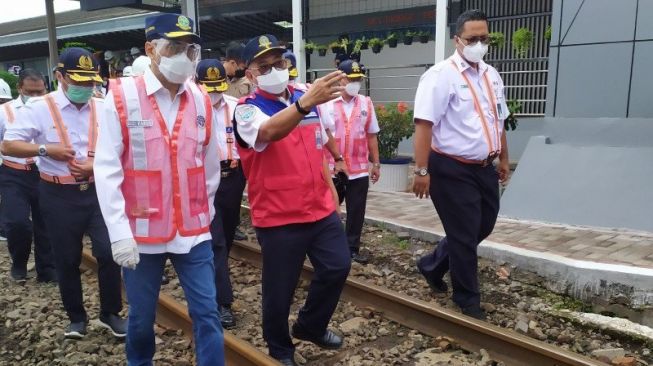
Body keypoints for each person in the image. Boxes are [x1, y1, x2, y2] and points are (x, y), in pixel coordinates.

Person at [94, 13, 224, 365]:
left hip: (193, 232)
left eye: (191, 49)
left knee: (208, 313)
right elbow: (106, 168)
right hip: (142, 233)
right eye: (175, 47)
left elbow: (210, 165)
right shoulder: (122, 98)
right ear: (151, 49)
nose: (185, 56)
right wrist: (119, 232)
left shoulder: (200, 100)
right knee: (140, 318)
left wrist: (204, 210)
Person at [234, 34, 350, 366]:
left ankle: (310, 326)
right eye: (264, 66)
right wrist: (304, 104)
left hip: (319, 209)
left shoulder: (304, 97)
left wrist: (330, 193)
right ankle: (280, 349)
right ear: (251, 74)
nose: (275, 70)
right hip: (279, 217)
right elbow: (268, 133)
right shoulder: (247, 110)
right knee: (279, 290)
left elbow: (318, 147)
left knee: (338, 266)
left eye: (279, 63)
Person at [2, 47, 126, 339]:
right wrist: (46, 149)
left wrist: (96, 165)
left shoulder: (103, 105)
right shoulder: (39, 108)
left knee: (109, 252)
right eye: (78, 81)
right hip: (57, 194)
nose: (85, 87)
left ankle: (110, 312)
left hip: (97, 191)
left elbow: (122, 146)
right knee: (67, 258)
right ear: (60, 76)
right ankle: (76, 318)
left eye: (89, 81)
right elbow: (9, 145)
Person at [412, 9, 510, 321]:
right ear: (457, 39)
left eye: (484, 38)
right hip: (450, 167)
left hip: (484, 167)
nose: (479, 44)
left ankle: (432, 265)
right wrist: (422, 170)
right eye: (472, 39)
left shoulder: (491, 75)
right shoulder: (441, 76)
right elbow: (424, 125)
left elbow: (499, 119)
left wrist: (503, 158)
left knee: (484, 224)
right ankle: (467, 300)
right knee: (465, 233)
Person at [195, 59, 244, 329]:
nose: (213, 93)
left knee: (227, 234)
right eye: (208, 87)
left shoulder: (236, 107)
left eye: (217, 87)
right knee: (216, 242)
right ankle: (222, 302)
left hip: (233, 177)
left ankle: (214, 277)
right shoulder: (190, 108)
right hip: (203, 182)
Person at [319, 60, 381, 265]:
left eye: (358, 80)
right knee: (329, 209)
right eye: (351, 79)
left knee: (356, 211)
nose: (355, 83)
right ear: (340, 78)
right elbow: (320, 135)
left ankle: (352, 248)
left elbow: (371, 135)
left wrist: (377, 164)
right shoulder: (326, 103)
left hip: (359, 169)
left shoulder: (366, 103)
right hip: (332, 168)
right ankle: (329, 246)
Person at [0, 69, 56, 283]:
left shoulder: (52, 110)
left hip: (43, 172)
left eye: (39, 92)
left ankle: (47, 269)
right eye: (30, 92)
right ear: (20, 89)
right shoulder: (5, 111)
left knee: (46, 223)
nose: (35, 97)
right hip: (13, 173)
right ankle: (19, 262)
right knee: (16, 223)